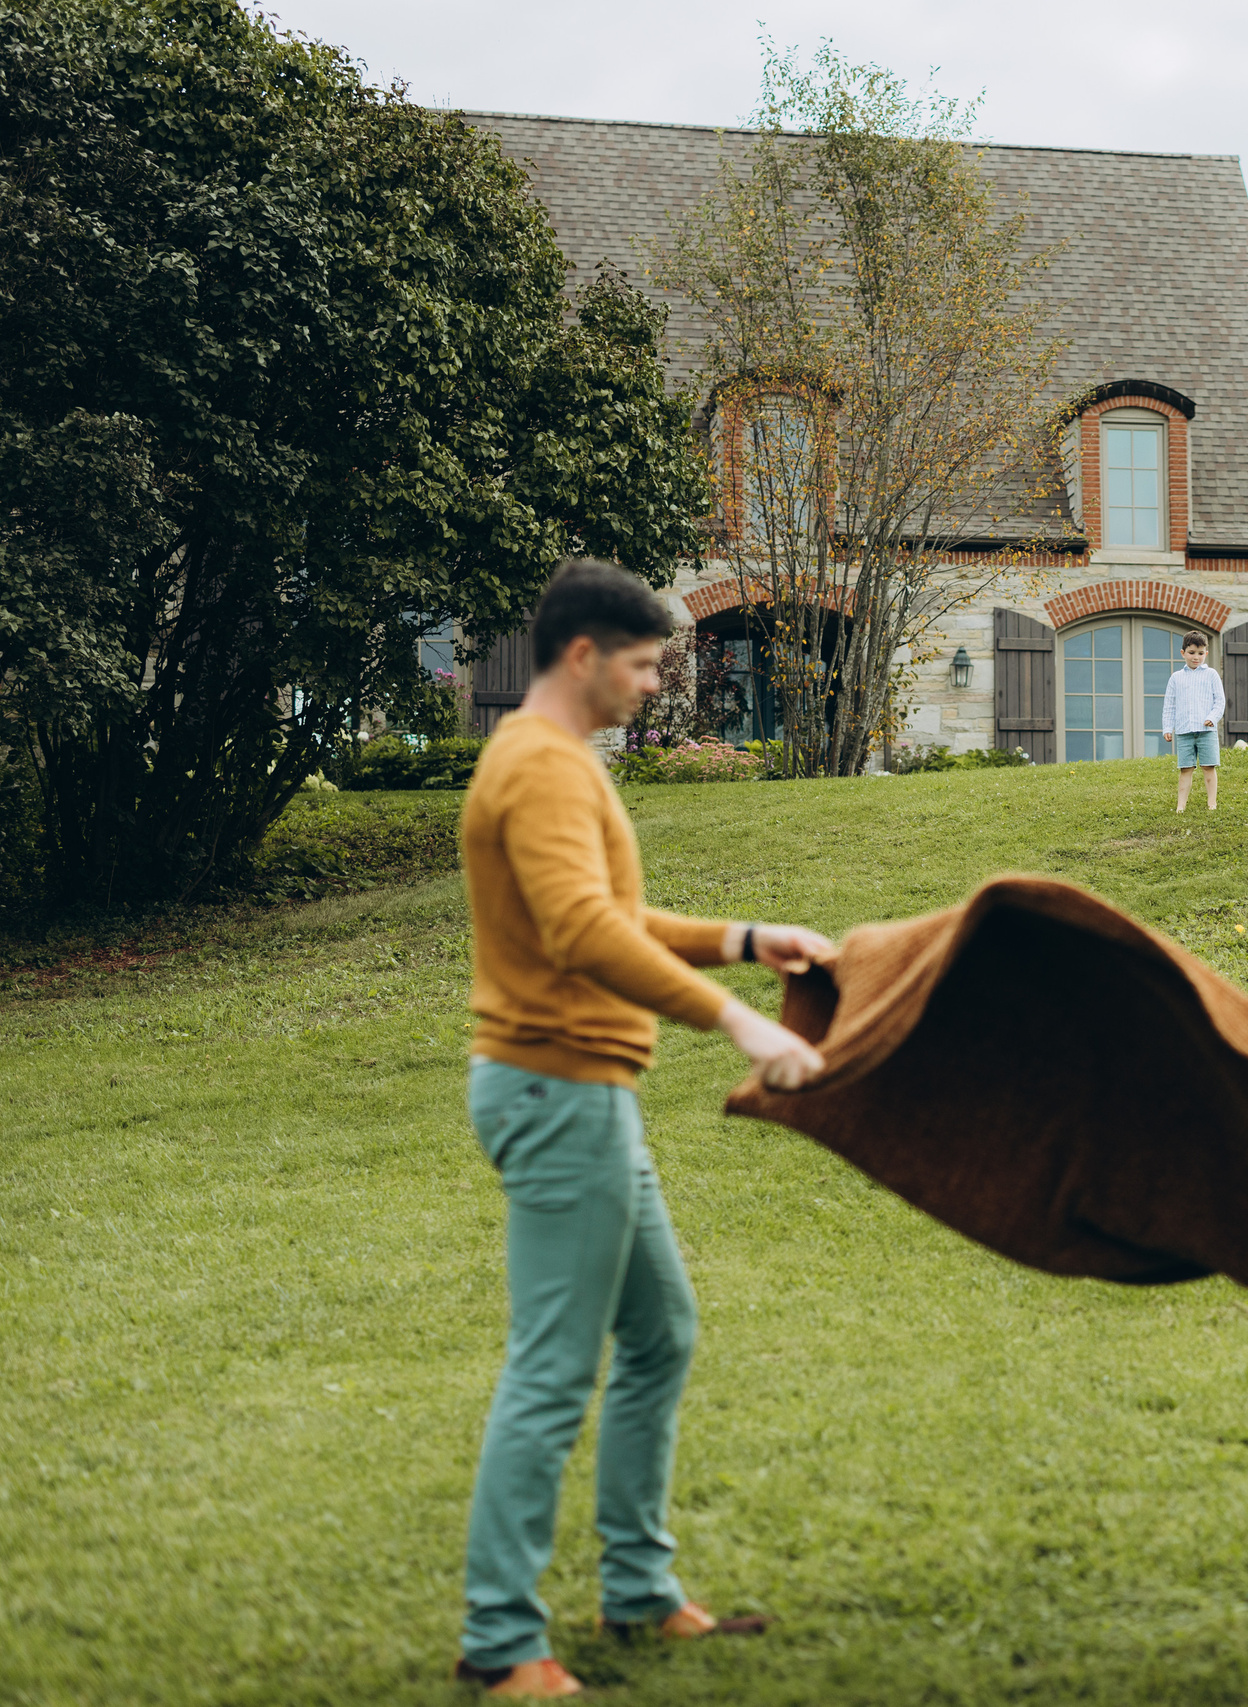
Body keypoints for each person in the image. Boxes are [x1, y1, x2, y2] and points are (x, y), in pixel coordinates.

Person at [453, 559, 838, 1698]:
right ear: (583, 655)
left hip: (582, 1091)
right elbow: (581, 934)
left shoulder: (551, 762)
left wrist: (741, 938)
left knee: (660, 1332)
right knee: (552, 1370)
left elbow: (612, 917)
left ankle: (637, 1591)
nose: (655, 683)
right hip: (556, 1088)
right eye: (643, 663)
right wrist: (740, 1025)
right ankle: (501, 1639)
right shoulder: (541, 766)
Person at [1161, 629, 1226, 813]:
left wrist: (1212, 718)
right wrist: (1168, 727)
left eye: (1200, 653)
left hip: (1206, 731)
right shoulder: (1176, 678)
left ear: (1206, 653)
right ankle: (1181, 806)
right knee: (1185, 768)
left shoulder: (1211, 675)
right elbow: (1169, 705)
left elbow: (1219, 701)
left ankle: (1212, 803)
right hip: (1184, 731)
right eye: (1191, 653)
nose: (1195, 657)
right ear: (1183, 653)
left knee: (1208, 767)